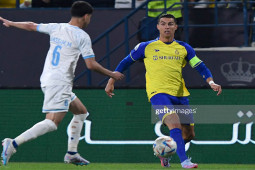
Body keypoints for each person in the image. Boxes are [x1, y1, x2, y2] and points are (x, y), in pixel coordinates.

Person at [0, 1, 124, 166]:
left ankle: (71, 153)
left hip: (50, 78)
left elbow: (31, 25)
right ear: (86, 16)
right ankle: (13, 144)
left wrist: (12, 23)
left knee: (81, 112)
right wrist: (112, 74)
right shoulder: (82, 36)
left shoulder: (56, 27)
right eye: (90, 17)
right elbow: (91, 65)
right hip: (60, 81)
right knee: (52, 122)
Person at [105, 14, 222, 168]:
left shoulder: (184, 48)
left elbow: (200, 66)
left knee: (189, 133)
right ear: (158, 27)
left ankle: (164, 152)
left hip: (180, 95)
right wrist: (111, 80)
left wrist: (211, 82)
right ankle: (185, 161)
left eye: (170, 24)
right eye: (163, 23)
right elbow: (125, 62)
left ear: (175, 27)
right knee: (175, 125)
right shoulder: (145, 47)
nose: (167, 26)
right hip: (158, 94)